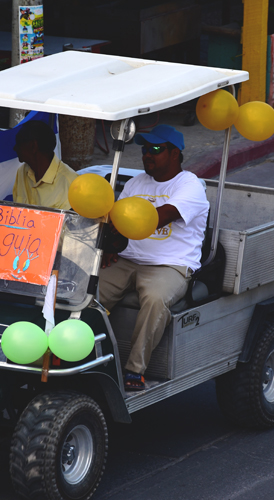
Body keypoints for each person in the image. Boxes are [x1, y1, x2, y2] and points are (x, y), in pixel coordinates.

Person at [98, 125, 209, 391]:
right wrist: (111, 247)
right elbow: (117, 225)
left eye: (156, 149)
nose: (148, 154)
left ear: (174, 154)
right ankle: (85, 357)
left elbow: (162, 216)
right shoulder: (136, 183)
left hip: (170, 264)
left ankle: (134, 370)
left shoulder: (189, 184)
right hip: (128, 259)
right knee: (87, 291)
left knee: (156, 300)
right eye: (145, 149)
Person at [11, 119, 77, 210]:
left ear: (33, 146)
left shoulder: (70, 183)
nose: (15, 148)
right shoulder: (22, 172)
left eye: (19, 143)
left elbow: (72, 222)